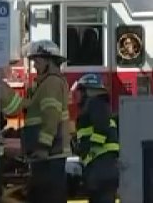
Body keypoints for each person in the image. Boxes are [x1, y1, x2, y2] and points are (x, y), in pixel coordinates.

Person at [19, 40, 72, 203]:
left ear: (50, 61)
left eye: (38, 61)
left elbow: (51, 118)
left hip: (49, 156)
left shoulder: (51, 83)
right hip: (48, 156)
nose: (34, 65)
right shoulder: (46, 84)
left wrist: (43, 146)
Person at [71, 74, 118, 203]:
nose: (77, 95)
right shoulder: (95, 106)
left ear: (89, 91)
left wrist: (92, 148)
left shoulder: (96, 103)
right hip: (102, 167)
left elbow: (101, 126)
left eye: (79, 91)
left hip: (102, 166)